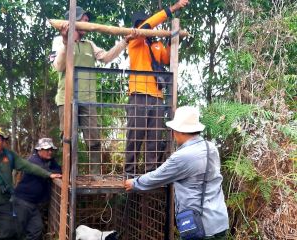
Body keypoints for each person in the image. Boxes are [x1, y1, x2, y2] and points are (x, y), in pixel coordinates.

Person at [52, 6, 136, 177]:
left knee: (94, 138)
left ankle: (95, 173)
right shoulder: (58, 41)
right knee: (68, 138)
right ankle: (69, 174)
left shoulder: (89, 44)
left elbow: (106, 58)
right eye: (84, 20)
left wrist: (124, 42)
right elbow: (58, 66)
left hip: (88, 99)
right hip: (66, 99)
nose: (87, 24)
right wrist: (66, 42)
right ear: (74, 22)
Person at [125, 106, 229, 239]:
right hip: (219, 221)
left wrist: (134, 183)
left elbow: (157, 177)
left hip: (200, 228)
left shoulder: (182, 156)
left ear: (178, 131)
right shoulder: (211, 148)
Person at [125, 0, 189, 176]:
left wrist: (173, 40)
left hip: (157, 96)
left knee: (154, 137)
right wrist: (172, 9)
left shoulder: (156, 45)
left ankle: (150, 172)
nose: (149, 29)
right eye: (145, 26)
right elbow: (149, 24)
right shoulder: (135, 41)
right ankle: (129, 172)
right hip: (139, 94)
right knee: (135, 135)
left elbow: (168, 58)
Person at [0, 127, 61, 240]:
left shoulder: (10, 155)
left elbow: (28, 166)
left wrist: (48, 174)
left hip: (3, 203)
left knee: (9, 233)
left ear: (4, 142)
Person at [14, 138, 62, 240]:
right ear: (39, 150)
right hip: (22, 201)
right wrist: (51, 173)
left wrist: (52, 172)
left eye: (51, 149)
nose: (50, 152)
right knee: (17, 230)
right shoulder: (33, 161)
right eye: (47, 149)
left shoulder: (50, 160)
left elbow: (59, 170)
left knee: (36, 229)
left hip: (34, 204)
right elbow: (45, 171)